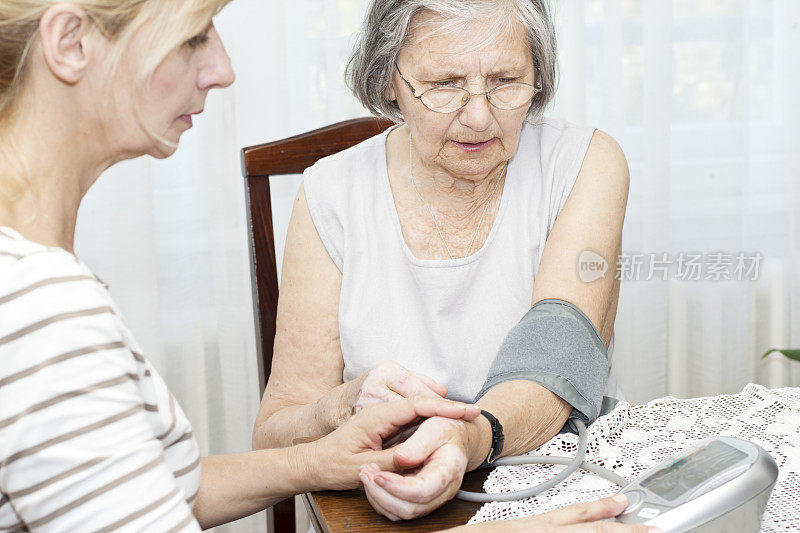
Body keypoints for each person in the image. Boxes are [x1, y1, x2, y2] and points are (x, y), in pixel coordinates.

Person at [0, 0, 648, 531]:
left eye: (505, 80)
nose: (223, 68)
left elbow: (160, 486)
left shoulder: (38, 288)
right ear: (390, 79)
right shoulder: (41, 305)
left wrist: (327, 458)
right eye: (196, 35)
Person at [253, 0, 630, 522]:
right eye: (445, 83)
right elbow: (274, 432)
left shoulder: (586, 163)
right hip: (386, 498)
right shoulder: (331, 192)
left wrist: (464, 437)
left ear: (538, 75)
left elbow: (555, 362)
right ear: (389, 79)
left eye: (505, 80)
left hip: (560, 484)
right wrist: (345, 403)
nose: (478, 116)